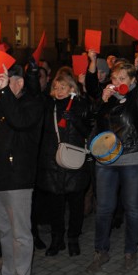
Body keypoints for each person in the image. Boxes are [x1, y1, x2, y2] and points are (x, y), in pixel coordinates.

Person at [86, 34, 138, 271]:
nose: (117, 81)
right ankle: (100, 251)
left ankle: (130, 251)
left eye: (122, 77)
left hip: (135, 157)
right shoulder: (108, 98)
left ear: (132, 79)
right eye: (114, 77)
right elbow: (94, 123)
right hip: (106, 159)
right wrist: (101, 103)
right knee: (104, 207)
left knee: (132, 207)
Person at [0, 63, 44, 275]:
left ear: (19, 83)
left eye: (6, 81)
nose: (1, 86)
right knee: (5, 232)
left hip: (17, 177)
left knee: (20, 233)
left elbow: (19, 121)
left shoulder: (31, 104)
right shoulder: (2, 104)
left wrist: (6, 93)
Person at [37, 69, 92, 257]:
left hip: (74, 161)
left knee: (76, 204)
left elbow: (88, 131)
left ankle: (73, 238)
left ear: (71, 88)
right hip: (52, 163)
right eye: (56, 87)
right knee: (56, 206)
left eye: (63, 87)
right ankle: (57, 239)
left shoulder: (80, 104)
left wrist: (75, 120)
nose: (59, 90)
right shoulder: (47, 105)